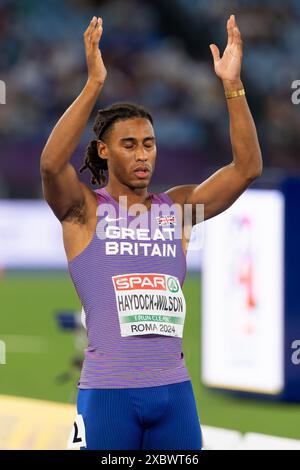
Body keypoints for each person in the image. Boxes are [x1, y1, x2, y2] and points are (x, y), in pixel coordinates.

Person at [40, 14, 262, 450]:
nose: (143, 155)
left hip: (174, 396)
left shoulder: (177, 209)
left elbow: (247, 168)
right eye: (129, 144)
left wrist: (233, 86)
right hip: (107, 397)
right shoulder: (82, 211)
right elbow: (50, 165)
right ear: (104, 150)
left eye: (149, 143)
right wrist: (93, 85)